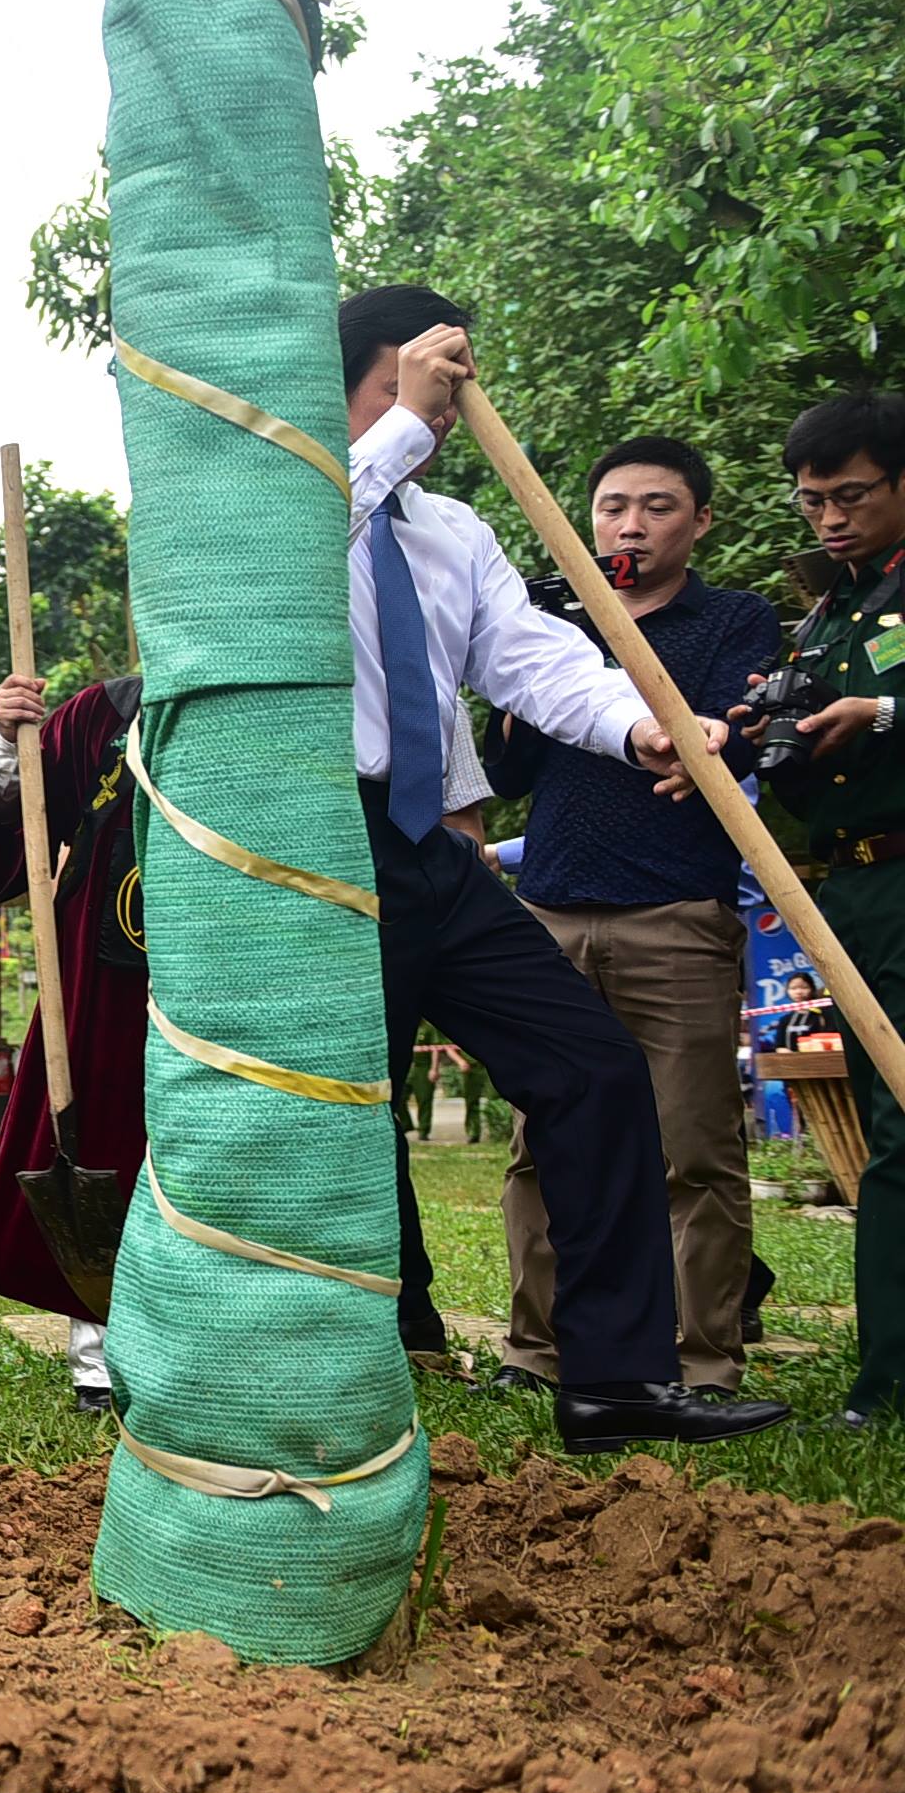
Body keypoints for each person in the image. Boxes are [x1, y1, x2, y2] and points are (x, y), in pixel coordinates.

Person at [336, 285, 782, 1450]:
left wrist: (644, 723)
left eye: (447, 384)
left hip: (439, 851)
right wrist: (391, 429)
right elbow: (279, 559)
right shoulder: (286, 497)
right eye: (408, 382)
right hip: (320, 849)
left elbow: (539, 663)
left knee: (590, 1071)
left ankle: (613, 1380)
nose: (436, 408)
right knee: (343, 1115)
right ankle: (325, 1359)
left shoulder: (451, 533)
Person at [483, 435, 778, 1399]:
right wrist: (534, 672)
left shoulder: (735, 621)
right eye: (612, 507)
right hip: (552, 912)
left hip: (676, 916)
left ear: (699, 520)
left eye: (656, 507)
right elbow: (510, 771)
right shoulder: (546, 628)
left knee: (693, 1149)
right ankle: (537, 1352)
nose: (630, 525)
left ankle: (700, 1363)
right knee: (543, 1143)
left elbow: (738, 740)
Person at [732, 388, 905, 1432]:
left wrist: (880, 708)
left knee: (896, 1129)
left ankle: (883, 1387)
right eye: (809, 503)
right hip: (847, 885)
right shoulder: (831, 604)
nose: (828, 519)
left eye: (849, 495)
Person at [0, 672, 146, 1412]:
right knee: (99, 1139)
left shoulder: (275, 701)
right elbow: (20, 819)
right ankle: (97, 1358)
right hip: (104, 973)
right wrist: (9, 737)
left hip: (238, 960)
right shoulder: (108, 713)